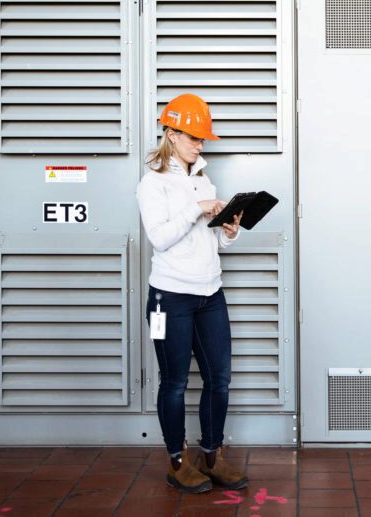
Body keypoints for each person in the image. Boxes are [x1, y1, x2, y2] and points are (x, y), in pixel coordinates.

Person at [136, 93, 248, 493]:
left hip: (210, 294)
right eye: (194, 137)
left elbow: (210, 241)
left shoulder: (204, 178)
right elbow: (160, 239)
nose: (200, 145)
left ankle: (212, 456)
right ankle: (179, 462)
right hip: (171, 298)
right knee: (175, 382)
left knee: (219, 379)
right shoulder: (153, 184)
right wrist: (196, 210)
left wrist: (227, 232)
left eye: (203, 139)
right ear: (171, 133)